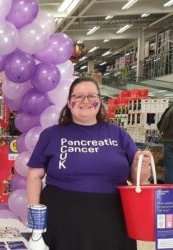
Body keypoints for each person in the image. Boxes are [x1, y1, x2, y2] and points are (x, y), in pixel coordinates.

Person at [26, 77, 152, 250]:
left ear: (99, 101)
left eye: (92, 96)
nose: (85, 101)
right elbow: (34, 176)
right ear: (69, 103)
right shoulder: (51, 135)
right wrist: (36, 226)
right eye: (78, 97)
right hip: (62, 220)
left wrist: (141, 167)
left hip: (113, 220)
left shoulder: (118, 134)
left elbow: (138, 178)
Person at [158, 103, 173, 183]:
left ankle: (169, 189)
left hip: (170, 141)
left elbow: (162, 126)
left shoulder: (171, 110)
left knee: (170, 168)